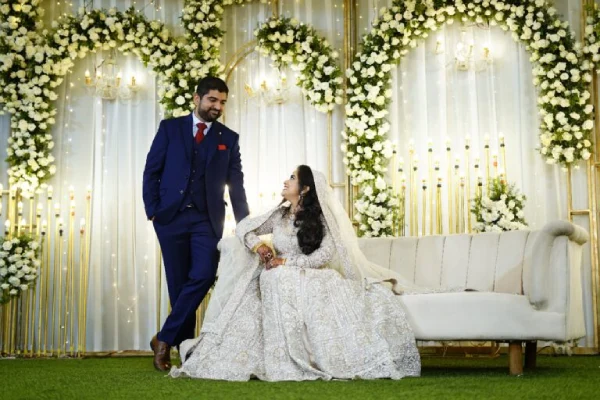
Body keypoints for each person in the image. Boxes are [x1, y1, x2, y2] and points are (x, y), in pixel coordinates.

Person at [170, 166, 421, 381]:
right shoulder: (279, 216)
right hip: (278, 276)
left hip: (312, 276)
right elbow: (245, 227)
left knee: (277, 276)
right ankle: (274, 353)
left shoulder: (321, 218)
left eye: (292, 177)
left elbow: (323, 256)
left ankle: (299, 355)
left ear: (305, 189)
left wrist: (286, 262)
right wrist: (259, 246)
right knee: (268, 278)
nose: (285, 181)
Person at [142, 76, 250, 371]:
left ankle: (163, 339)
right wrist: (153, 210)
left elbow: (236, 186)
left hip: (206, 218)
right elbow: (151, 171)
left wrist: (245, 227)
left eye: (223, 102)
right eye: (213, 100)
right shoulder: (170, 129)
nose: (218, 107)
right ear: (197, 98)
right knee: (179, 286)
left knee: (203, 275)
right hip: (170, 218)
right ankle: (184, 350)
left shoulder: (228, 138)